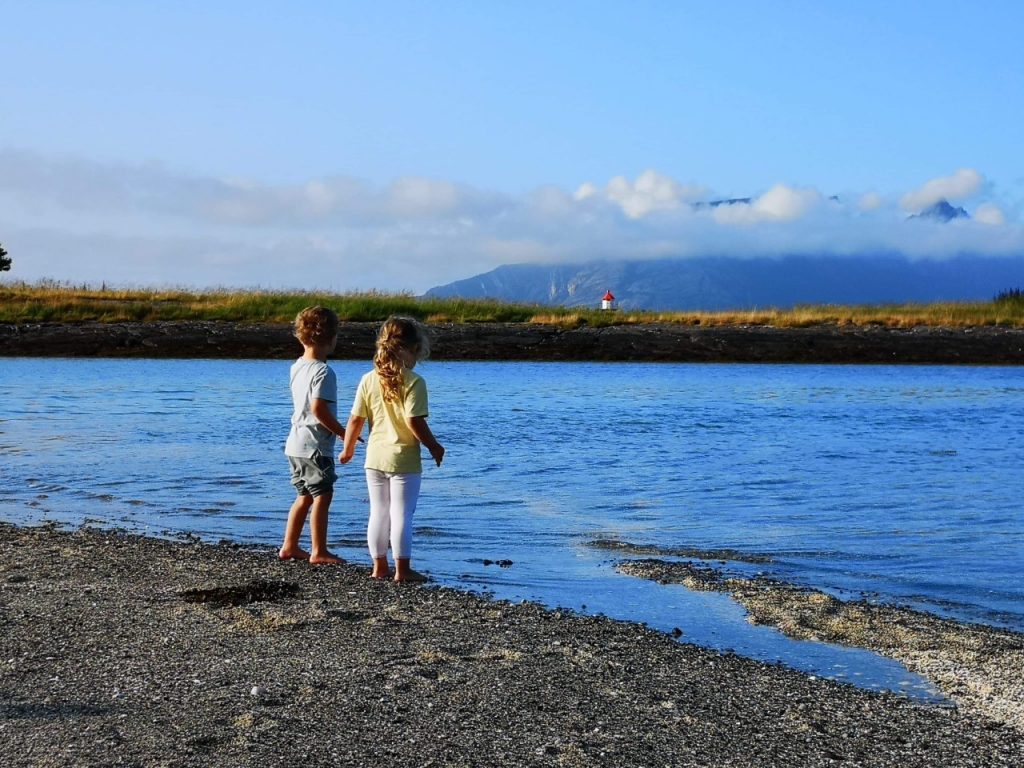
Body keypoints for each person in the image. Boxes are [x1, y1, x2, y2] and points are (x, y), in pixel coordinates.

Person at [339, 316, 444, 582]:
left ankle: (379, 567)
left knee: (378, 512)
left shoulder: (368, 379)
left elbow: (355, 420)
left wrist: (347, 449)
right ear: (413, 349)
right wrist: (434, 446)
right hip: (403, 460)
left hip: (374, 459)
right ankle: (403, 570)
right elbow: (414, 421)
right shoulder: (414, 381)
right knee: (401, 515)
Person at [279, 306, 347, 565]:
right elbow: (318, 409)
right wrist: (343, 433)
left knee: (304, 495)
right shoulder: (324, 372)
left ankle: (290, 545)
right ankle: (319, 550)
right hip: (315, 446)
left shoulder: (297, 366)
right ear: (331, 338)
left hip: (295, 444)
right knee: (323, 494)